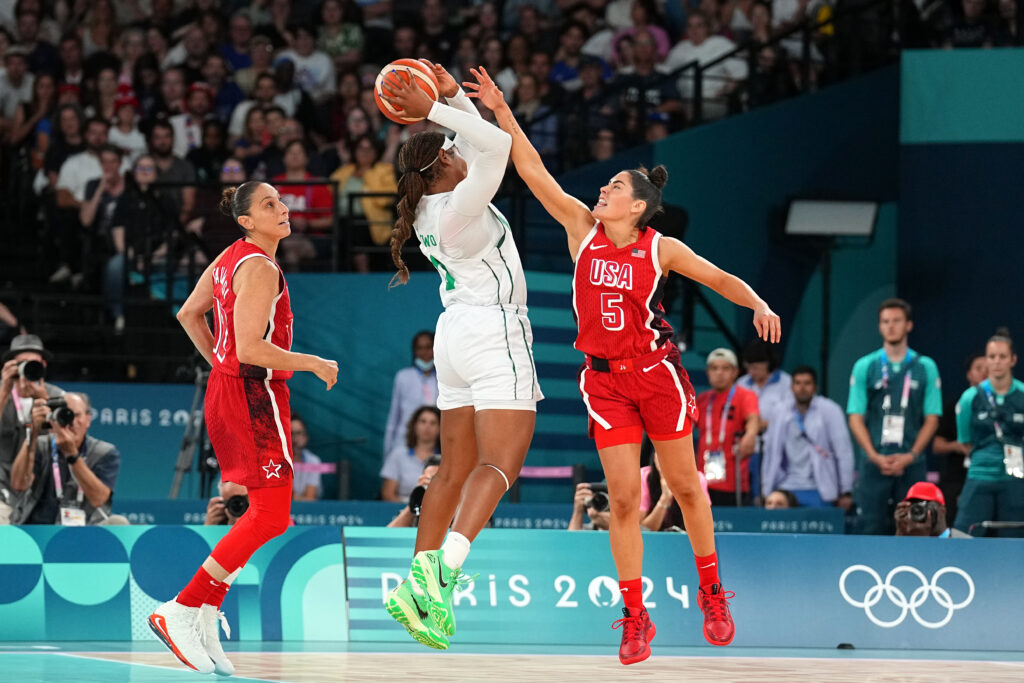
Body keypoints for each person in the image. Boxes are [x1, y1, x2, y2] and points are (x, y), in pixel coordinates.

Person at [469, 65, 781, 662]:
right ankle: (635, 614)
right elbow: (531, 168)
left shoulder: (660, 247)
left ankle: (712, 591)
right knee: (621, 499)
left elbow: (718, 278)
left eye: (615, 186)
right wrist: (502, 112)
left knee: (687, 486)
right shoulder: (580, 230)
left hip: (657, 374)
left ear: (638, 206)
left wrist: (760, 302)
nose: (603, 190)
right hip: (605, 383)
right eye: (606, 185)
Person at [380, 60, 542, 652]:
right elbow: (496, 143)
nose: (458, 150)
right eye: (450, 147)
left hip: (453, 335)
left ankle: (415, 586)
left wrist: (450, 98)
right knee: (499, 467)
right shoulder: (461, 205)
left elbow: (474, 142)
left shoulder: (430, 204)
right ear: (444, 163)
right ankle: (445, 569)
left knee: (452, 470)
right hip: (494, 331)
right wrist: (435, 108)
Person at [147, 181, 338, 676]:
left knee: (261, 512)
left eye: (280, 200)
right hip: (254, 396)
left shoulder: (231, 255)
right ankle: (184, 607)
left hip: (227, 391)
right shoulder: (260, 266)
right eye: (269, 204)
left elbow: (189, 313)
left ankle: (207, 612)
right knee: (272, 516)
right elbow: (252, 349)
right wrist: (313, 362)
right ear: (246, 220)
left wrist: (220, 363)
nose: (283, 207)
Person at [847, 298, 942, 535]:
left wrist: (911, 455)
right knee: (870, 528)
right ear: (880, 326)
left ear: (908, 325)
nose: (890, 326)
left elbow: (932, 419)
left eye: (896, 321)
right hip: (874, 464)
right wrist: (874, 455)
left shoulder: (926, 367)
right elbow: (855, 417)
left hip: (912, 464)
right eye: (885, 321)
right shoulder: (865, 366)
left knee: (915, 529)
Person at [10, 392, 120, 525]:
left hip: (85, 532)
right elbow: (19, 484)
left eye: (76, 415)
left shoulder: (104, 452)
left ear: (88, 419)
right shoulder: (39, 445)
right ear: (53, 418)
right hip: (38, 529)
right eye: (65, 415)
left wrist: (72, 455)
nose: (71, 422)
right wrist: (32, 434)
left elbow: (99, 499)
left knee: (119, 522)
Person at [953, 329, 1024, 537]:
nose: (997, 362)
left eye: (1002, 357)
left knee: (1016, 545)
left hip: (1015, 480)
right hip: (979, 476)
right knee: (961, 538)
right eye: (992, 357)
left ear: (1013, 360)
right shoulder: (969, 398)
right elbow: (965, 441)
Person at [760, 366, 854, 509]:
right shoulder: (779, 411)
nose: (802, 388)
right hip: (785, 487)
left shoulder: (830, 410)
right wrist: (766, 489)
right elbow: (771, 452)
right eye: (798, 383)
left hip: (821, 489)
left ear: (815, 387)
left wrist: (845, 490)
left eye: (807, 383)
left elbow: (843, 451)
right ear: (791, 387)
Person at [0, 334, 63, 525]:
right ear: (12, 365)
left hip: (39, 489)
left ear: (43, 365)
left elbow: (67, 442)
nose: (27, 369)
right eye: (22, 363)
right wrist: (4, 390)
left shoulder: (57, 395)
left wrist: (45, 400)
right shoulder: (1, 391)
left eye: (33, 363)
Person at [696, 348, 761, 507]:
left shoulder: (745, 395)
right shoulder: (702, 400)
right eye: (714, 368)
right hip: (703, 480)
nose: (719, 373)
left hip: (734, 480)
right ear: (708, 372)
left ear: (735, 372)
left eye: (725, 368)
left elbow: (753, 418)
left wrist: (750, 435)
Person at [932, 351, 987, 524]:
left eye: (987, 368)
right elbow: (937, 445)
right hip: (956, 478)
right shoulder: (956, 404)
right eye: (978, 368)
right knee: (953, 524)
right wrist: (959, 446)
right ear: (969, 374)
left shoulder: (1003, 404)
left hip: (987, 476)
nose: (984, 372)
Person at [383, 331, 439, 458]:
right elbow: (393, 419)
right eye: (420, 348)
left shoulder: (444, 379)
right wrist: (388, 454)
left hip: (435, 446)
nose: (424, 353)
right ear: (414, 351)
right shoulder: (403, 377)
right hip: (404, 443)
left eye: (428, 347)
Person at [381, 406, 442, 502]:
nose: (427, 427)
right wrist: (409, 512)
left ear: (440, 428)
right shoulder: (398, 455)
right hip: (399, 510)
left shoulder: (446, 459)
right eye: (423, 421)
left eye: (433, 423)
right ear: (414, 425)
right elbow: (387, 494)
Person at [640, 450, 711, 531]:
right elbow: (642, 530)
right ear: (655, 457)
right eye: (663, 456)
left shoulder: (697, 479)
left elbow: (703, 527)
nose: (668, 462)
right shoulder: (644, 477)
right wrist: (664, 498)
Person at [896, 482, 971, 538]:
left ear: (942, 510)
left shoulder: (965, 542)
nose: (921, 511)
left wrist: (922, 539)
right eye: (915, 507)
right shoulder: (903, 542)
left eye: (926, 505)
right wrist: (900, 532)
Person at [387, 454, 443, 528]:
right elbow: (388, 534)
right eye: (431, 479)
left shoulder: (459, 511)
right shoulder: (416, 509)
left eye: (438, 480)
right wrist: (416, 499)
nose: (434, 485)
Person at [289, 413, 324, 501]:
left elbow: (310, 499)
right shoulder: (276, 461)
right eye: (291, 433)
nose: (295, 438)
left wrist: (291, 496)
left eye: (299, 433)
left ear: (306, 437)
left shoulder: (313, 461)